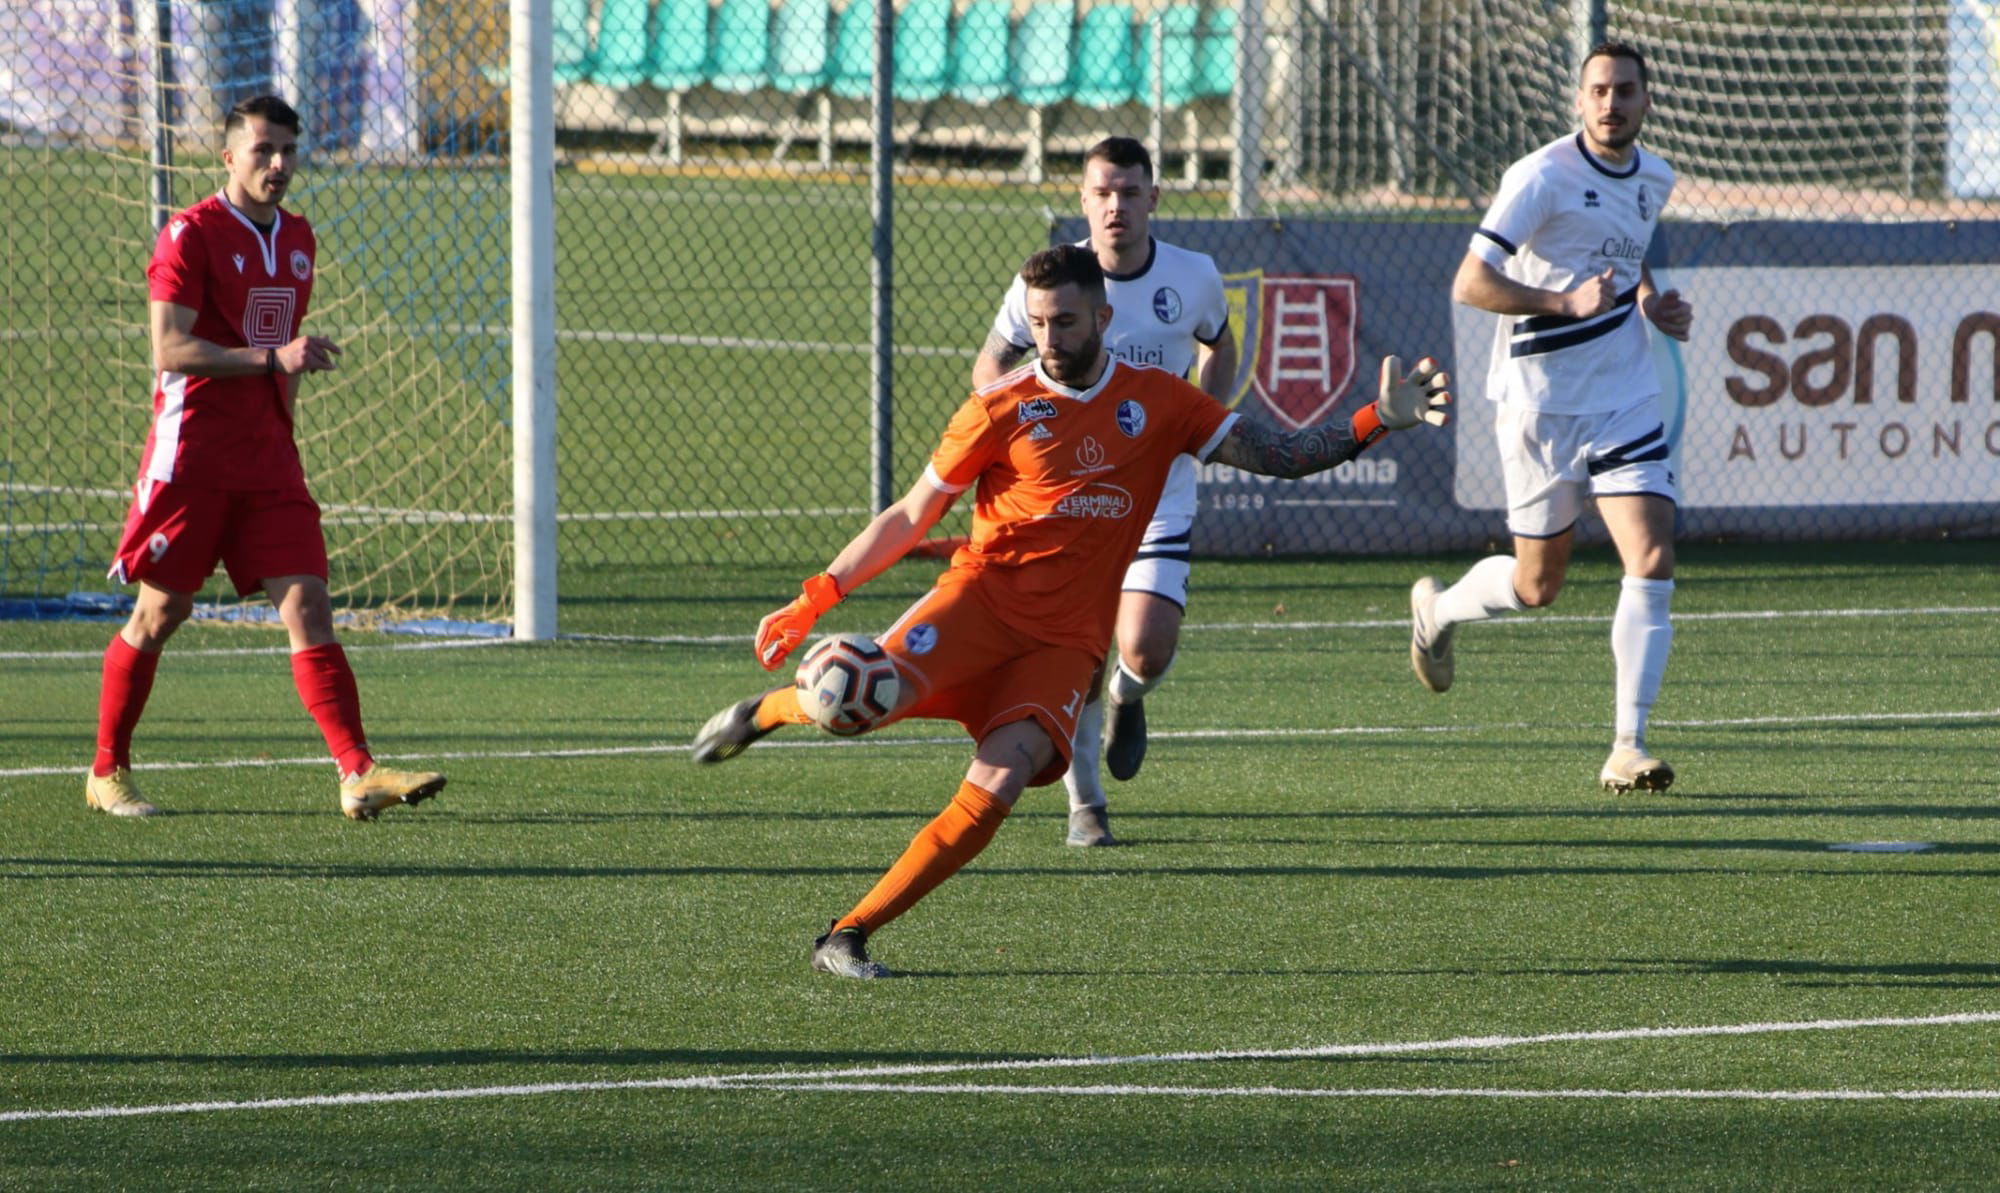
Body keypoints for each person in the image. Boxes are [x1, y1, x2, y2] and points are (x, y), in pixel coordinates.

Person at [692, 243, 1449, 979]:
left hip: (1065, 645)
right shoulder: (1001, 405)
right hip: (976, 606)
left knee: (999, 784)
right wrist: (816, 595)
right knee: (854, 704)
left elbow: (1285, 453)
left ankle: (848, 932)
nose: (1049, 339)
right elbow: (913, 513)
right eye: (1039, 323)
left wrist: (1377, 417)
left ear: (1102, 316)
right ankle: (767, 711)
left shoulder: (1162, 402)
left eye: (1065, 322)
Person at [85, 95, 446, 821]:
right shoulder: (189, 234)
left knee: (309, 603)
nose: (278, 164)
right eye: (262, 150)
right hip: (191, 460)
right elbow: (170, 349)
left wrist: (283, 409)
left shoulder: (301, 238)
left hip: (269, 465)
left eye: (288, 151)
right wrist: (271, 359)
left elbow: (281, 358)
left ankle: (357, 771)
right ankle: (105, 770)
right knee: (161, 611)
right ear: (228, 156)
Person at [1407, 42, 1693, 793]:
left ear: (1646, 101)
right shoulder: (1539, 175)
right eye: (1599, 90)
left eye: (1625, 90)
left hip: (1625, 397)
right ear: (1578, 100)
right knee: (1539, 587)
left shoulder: (1655, 177)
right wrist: (1562, 303)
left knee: (1653, 556)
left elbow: (1625, 259)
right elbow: (1471, 282)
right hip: (1539, 404)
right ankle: (1437, 612)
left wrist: (1648, 302)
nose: (1611, 103)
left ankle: (1627, 744)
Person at [971, 136, 1238, 848]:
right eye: (1102, 192)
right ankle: (1084, 802)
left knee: (1143, 650)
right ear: (1083, 200)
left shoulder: (1195, 275)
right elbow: (992, 365)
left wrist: (1200, 425)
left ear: (1154, 196)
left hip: (1158, 494)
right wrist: (1023, 443)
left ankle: (1129, 697)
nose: (1115, 205)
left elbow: (1221, 343)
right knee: (1076, 654)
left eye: (1129, 191)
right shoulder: (1055, 282)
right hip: (1073, 500)